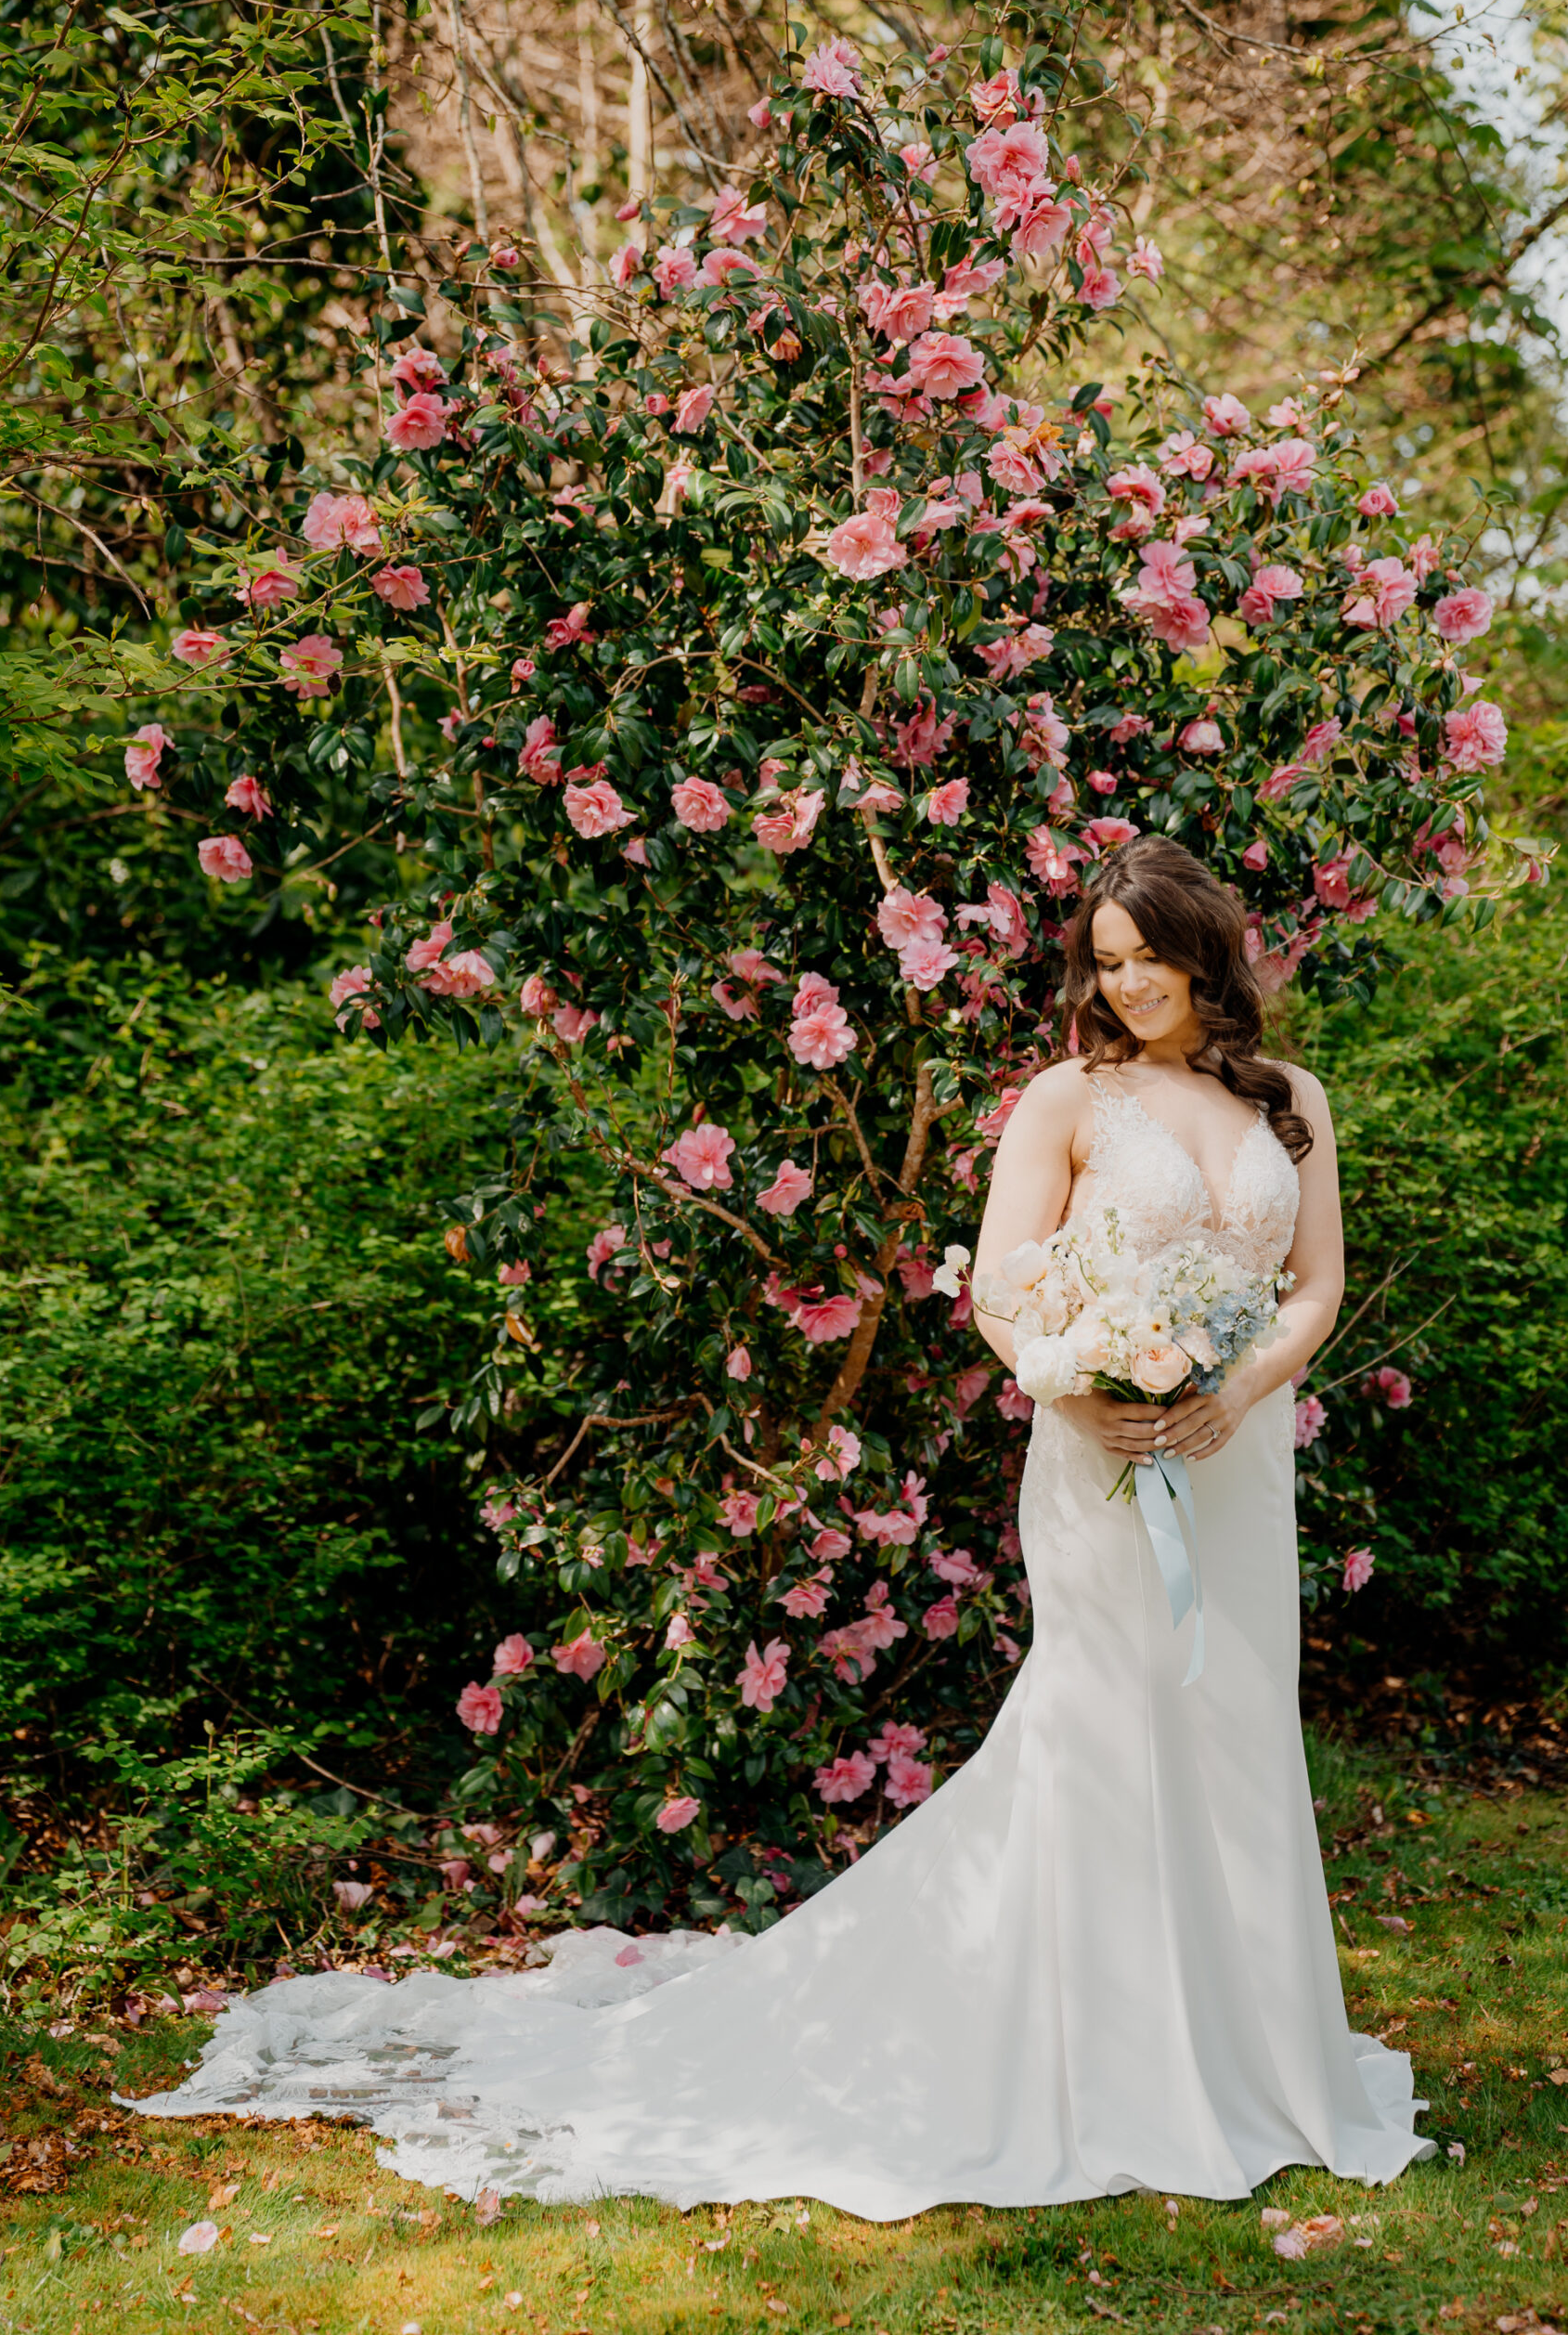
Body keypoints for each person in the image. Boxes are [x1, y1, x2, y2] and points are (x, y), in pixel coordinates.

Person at [124, 836, 1433, 2217]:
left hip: (1230, 1459)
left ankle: (1247, 2055)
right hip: (1103, 1454)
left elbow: (1313, 1284)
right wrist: (1080, 1379)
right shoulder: (1068, 1096)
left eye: (1147, 959)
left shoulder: (1293, 1100)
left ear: (1201, 948)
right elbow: (999, 1291)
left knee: (1229, 1728)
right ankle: (1102, 2059)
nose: (1127, 986)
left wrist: (1230, 1395)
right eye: (1104, 964)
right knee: (1106, 1728)